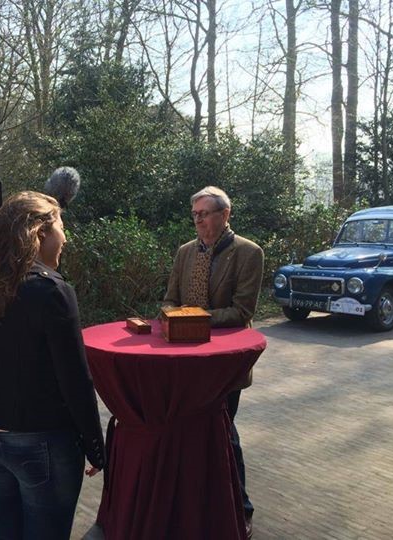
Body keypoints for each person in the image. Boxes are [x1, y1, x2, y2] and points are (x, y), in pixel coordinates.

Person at [0, 191, 105, 540]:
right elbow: (75, 379)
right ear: (40, 232)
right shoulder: (53, 291)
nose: (65, 238)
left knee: (7, 532)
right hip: (40, 442)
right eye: (61, 227)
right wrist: (95, 445)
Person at [163, 185, 263, 540]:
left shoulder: (248, 253)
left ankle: (240, 509)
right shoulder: (185, 252)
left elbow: (241, 312)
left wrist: (192, 318)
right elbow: (170, 299)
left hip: (224, 363)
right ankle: (199, 505)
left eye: (204, 214)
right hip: (184, 360)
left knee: (222, 432)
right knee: (191, 433)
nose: (198, 221)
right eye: (195, 215)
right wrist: (171, 314)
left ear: (225, 215)